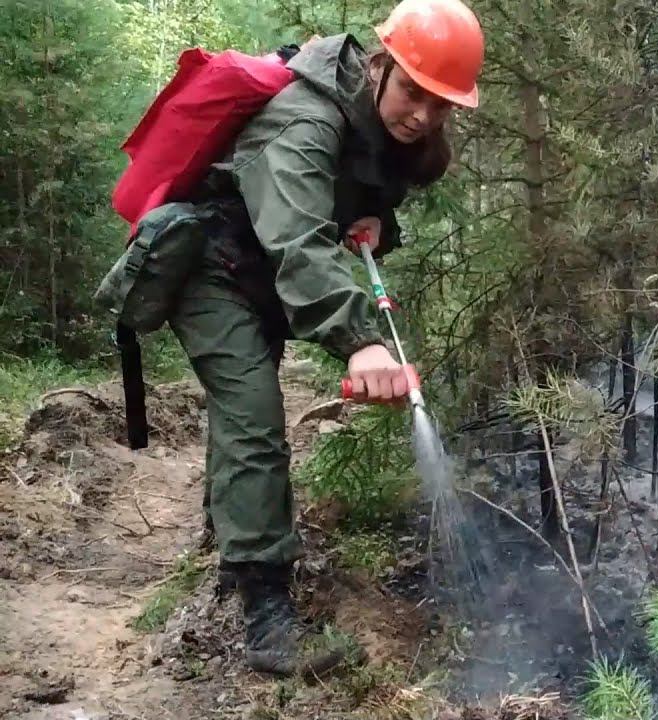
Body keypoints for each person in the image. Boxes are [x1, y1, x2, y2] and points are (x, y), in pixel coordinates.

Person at [162, 0, 483, 678]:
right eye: (412, 91)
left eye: (440, 105)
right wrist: (361, 341)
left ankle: (228, 540)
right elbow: (298, 242)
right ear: (382, 65)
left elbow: (353, 203)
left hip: (264, 273)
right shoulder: (306, 119)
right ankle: (265, 614)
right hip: (212, 267)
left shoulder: (388, 135)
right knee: (253, 415)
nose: (422, 115)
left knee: (245, 410)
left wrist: (375, 224)